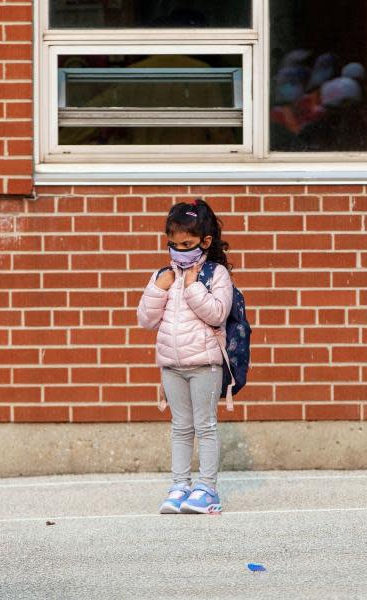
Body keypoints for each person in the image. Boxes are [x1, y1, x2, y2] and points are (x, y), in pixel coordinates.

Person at [137, 199, 233, 514]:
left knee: (205, 425)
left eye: (187, 244)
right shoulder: (165, 275)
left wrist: (193, 288)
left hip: (205, 365)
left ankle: (208, 489)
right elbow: (145, 320)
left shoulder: (215, 274)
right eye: (174, 244)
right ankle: (180, 485)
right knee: (180, 426)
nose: (180, 250)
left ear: (204, 242)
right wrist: (158, 289)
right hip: (172, 365)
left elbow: (218, 314)